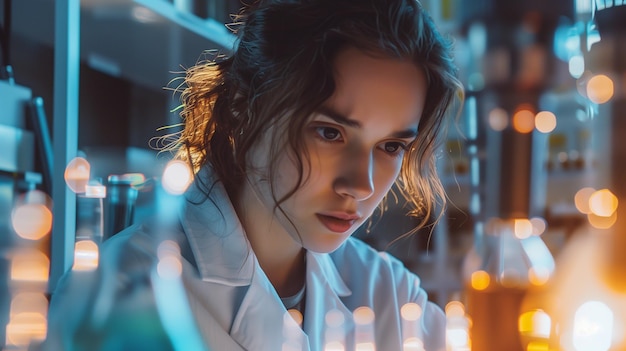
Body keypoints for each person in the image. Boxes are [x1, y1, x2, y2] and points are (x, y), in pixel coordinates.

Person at [43, 0, 463, 350]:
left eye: (390, 146)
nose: (361, 184)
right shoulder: (120, 294)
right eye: (329, 132)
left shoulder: (389, 294)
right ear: (245, 107)